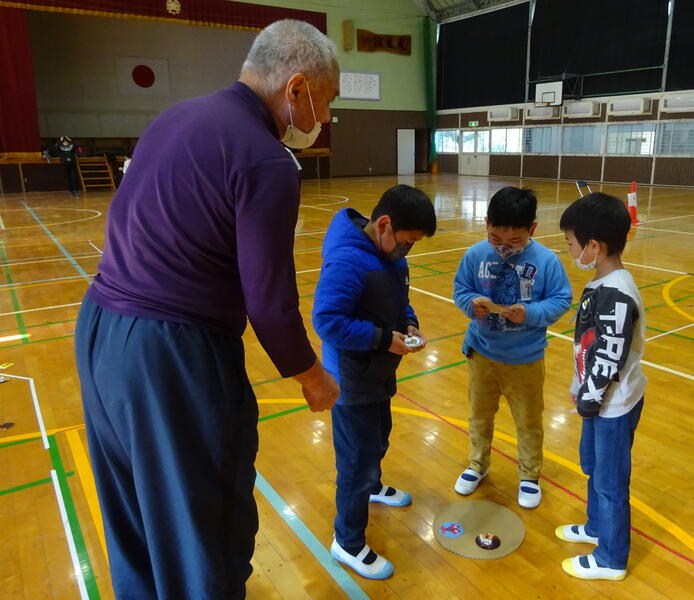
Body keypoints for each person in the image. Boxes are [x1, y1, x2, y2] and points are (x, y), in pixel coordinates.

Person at [74, 20, 340, 600]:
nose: (325, 119)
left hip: (98, 330)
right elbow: (269, 301)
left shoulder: (174, 117)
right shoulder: (266, 160)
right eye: (327, 100)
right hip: (172, 355)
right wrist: (312, 377)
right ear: (297, 89)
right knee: (206, 529)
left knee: (136, 516)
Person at [312, 184, 437, 579]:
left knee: (380, 437)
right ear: (384, 224)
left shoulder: (390, 254)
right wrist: (384, 338)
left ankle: (375, 485)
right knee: (355, 463)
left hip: (380, 370)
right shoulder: (348, 261)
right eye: (406, 242)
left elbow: (401, 299)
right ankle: (347, 542)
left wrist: (410, 322)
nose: (407, 251)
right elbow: (327, 322)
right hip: (351, 380)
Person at [452, 187, 571, 508]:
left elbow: (562, 300)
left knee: (529, 421)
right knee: (479, 416)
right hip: (481, 354)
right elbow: (461, 289)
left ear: (532, 229)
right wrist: (470, 303)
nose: (503, 247)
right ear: (487, 223)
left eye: (514, 241)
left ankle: (529, 475)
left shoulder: (546, 261)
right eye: (495, 237)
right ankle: (477, 464)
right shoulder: (476, 254)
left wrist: (530, 313)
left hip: (526, 360)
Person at [556, 192, 646, 581]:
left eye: (572, 244)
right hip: (595, 401)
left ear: (594, 245)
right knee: (593, 467)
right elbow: (589, 344)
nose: (571, 251)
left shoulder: (616, 293)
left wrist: (588, 399)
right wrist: (580, 386)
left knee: (610, 483)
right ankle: (596, 528)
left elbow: (609, 357)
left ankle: (611, 558)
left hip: (612, 405)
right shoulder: (601, 281)